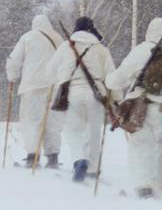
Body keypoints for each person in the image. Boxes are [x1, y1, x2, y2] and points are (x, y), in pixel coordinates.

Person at [105, 18, 162, 199]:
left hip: (147, 109)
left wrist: (108, 80)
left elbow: (116, 81)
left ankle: (144, 186)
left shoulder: (139, 52)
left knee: (141, 146)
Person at [45, 16, 116, 182]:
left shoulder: (65, 47)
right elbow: (111, 76)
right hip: (96, 94)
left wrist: (57, 82)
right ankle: (92, 169)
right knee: (93, 132)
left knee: (74, 131)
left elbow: (49, 72)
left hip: (72, 93)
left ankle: (80, 160)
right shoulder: (101, 49)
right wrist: (115, 100)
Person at [5, 14, 64, 168]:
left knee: (32, 122)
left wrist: (12, 77)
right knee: (53, 123)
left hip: (33, 86)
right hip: (55, 86)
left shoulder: (28, 37)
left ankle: (33, 157)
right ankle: (53, 157)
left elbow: (14, 60)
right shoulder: (58, 39)